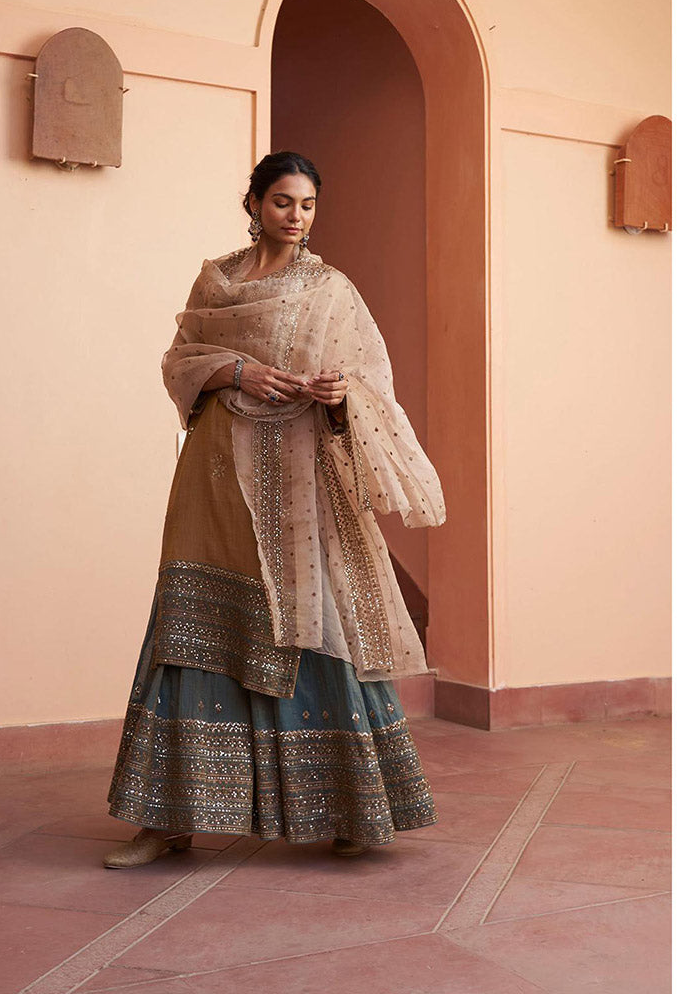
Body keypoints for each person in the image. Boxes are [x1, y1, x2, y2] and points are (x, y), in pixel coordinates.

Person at [103, 151, 446, 868]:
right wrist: (237, 370)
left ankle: (353, 809)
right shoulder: (216, 281)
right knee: (192, 629)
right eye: (284, 201)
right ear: (255, 203)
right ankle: (167, 822)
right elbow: (179, 360)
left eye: (308, 204)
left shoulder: (329, 288)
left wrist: (339, 396)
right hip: (215, 476)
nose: (297, 216)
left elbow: (371, 383)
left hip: (298, 482)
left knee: (315, 625)